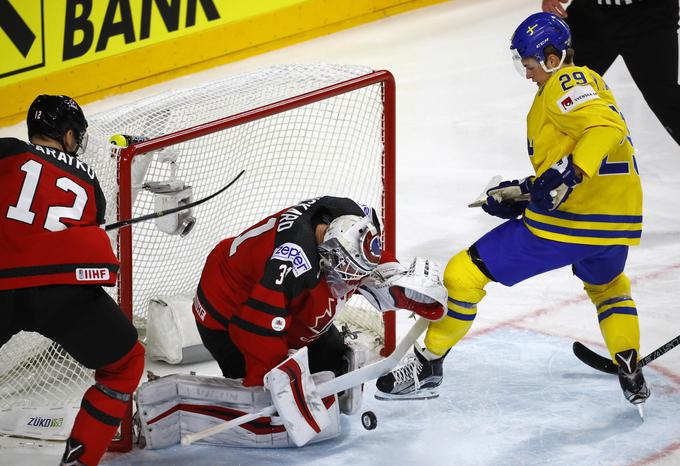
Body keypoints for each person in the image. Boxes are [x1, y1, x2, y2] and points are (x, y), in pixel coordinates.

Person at [375, 13, 650, 411]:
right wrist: (524, 192)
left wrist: (567, 176)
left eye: (530, 65)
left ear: (552, 57)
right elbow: (576, 153)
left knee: (462, 274)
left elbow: (605, 130)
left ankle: (427, 365)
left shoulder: (565, 82)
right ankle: (629, 363)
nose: (528, 75)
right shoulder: (588, 83)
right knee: (608, 288)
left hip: (573, 222)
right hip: (615, 223)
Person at [187, 195, 447, 446]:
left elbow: (369, 255)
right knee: (267, 399)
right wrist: (275, 383)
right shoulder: (289, 263)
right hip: (226, 308)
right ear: (330, 251)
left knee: (332, 365)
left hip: (277, 293)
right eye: (348, 274)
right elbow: (256, 329)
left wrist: (398, 282)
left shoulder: (354, 219)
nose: (351, 283)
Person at [0, 95, 145, 466]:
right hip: (63, 289)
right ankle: (82, 460)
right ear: (67, 136)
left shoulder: (7, 151)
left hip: (3, 282)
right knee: (125, 365)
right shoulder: (88, 178)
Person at [542, 0, 680, 147]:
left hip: (649, 15)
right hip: (592, 13)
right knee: (558, 90)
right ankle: (557, 164)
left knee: (665, 98)